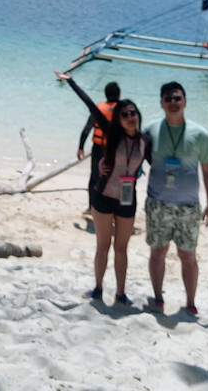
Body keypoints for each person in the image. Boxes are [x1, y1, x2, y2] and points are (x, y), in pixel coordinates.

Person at [56, 72, 148, 306]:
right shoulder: (111, 134)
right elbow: (90, 105)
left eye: (133, 113)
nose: (130, 117)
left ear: (138, 115)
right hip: (104, 197)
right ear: (118, 118)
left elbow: (158, 164)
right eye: (125, 114)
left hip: (127, 200)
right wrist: (70, 81)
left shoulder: (145, 141)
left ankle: (121, 294)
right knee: (103, 246)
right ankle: (97, 289)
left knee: (122, 249)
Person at [143, 81, 208, 316]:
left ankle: (191, 302)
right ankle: (158, 298)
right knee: (158, 252)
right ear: (161, 103)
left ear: (185, 101)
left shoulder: (200, 134)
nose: (173, 103)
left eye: (177, 98)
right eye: (168, 99)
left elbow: (207, 171)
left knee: (188, 256)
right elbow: (131, 156)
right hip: (158, 203)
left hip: (189, 206)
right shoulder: (150, 130)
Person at [75, 80, 121, 213]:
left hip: (98, 148)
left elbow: (86, 129)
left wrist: (80, 147)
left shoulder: (99, 108)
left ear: (106, 94)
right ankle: (115, 209)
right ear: (119, 95)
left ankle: (91, 207)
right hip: (116, 149)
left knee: (94, 178)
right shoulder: (122, 110)